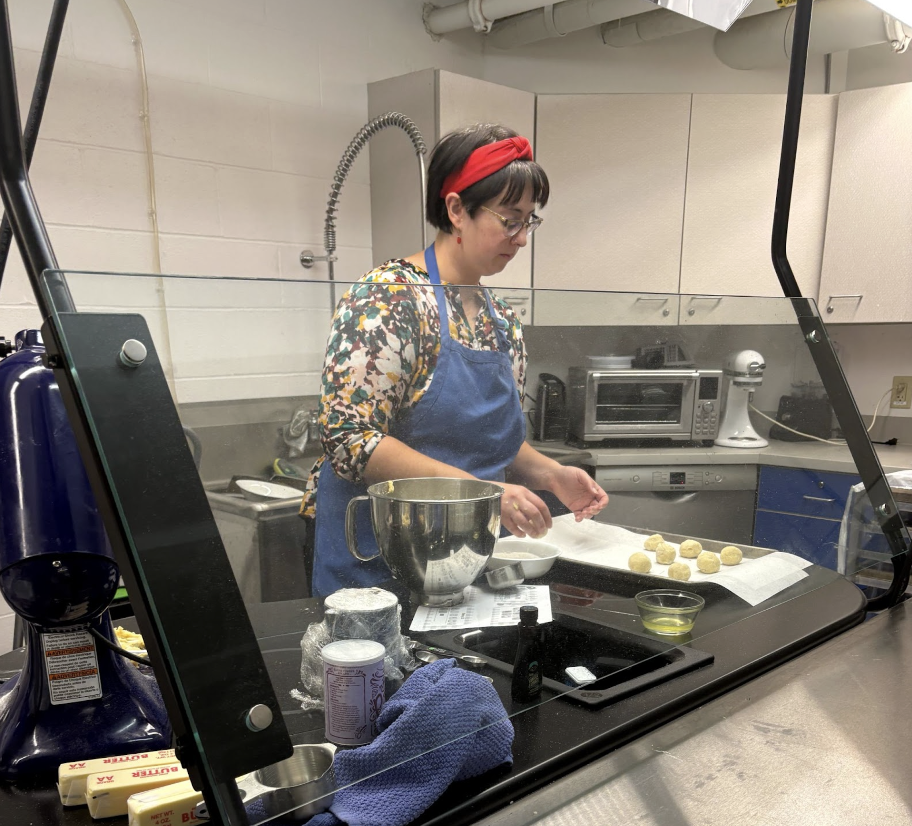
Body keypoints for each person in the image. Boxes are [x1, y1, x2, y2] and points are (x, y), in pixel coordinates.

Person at [302, 123, 608, 598]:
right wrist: (482, 494)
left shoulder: (501, 320)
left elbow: (491, 443)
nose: (522, 238)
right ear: (456, 209)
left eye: (530, 220)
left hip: (470, 566)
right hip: (382, 564)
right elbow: (350, 440)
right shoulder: (389, 301)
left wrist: (550, 474)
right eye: (510, 219)